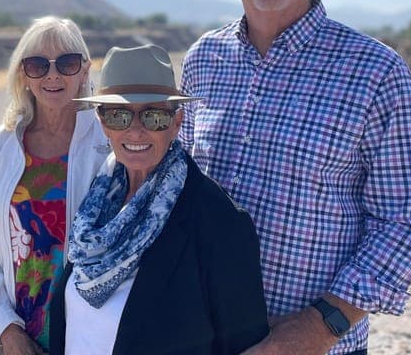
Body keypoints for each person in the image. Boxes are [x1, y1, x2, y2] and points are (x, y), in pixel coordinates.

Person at [179, 0, 411, 354]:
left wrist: (314, 329)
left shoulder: (376, 71)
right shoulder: (203, 61)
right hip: (204, 336)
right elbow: (181, 187)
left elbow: (403, 221)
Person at [48, 44, 268, 354]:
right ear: (103, 123)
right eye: (119, 115)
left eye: (153, 117)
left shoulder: (220, 222)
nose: (136, 131)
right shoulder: (95, 203)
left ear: (176, 122)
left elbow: (243, 345)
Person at [0, 16, 109, 355]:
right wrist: (6, 328)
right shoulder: (0, 147)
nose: (53, 75)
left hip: (85, 334)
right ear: (23, 75)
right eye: (37, 65)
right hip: (15, 329)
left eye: (67, 63)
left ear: (84, 72)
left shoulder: (106, 143)